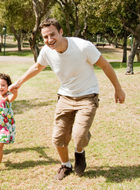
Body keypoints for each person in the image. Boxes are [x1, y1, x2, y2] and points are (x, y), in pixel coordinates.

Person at [9, 18, 125, 180]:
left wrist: (118, 89)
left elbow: (105, 65)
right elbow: (37, 67)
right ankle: (66, 165)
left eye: (52, 34)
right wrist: (18, 83)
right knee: (58, 138)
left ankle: (80, 152)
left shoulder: (83, 46)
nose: (49, 40)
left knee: (79, 135)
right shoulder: (47, 51)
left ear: (61, 31)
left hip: (88, 96)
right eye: (45, 37)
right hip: (65, 97)